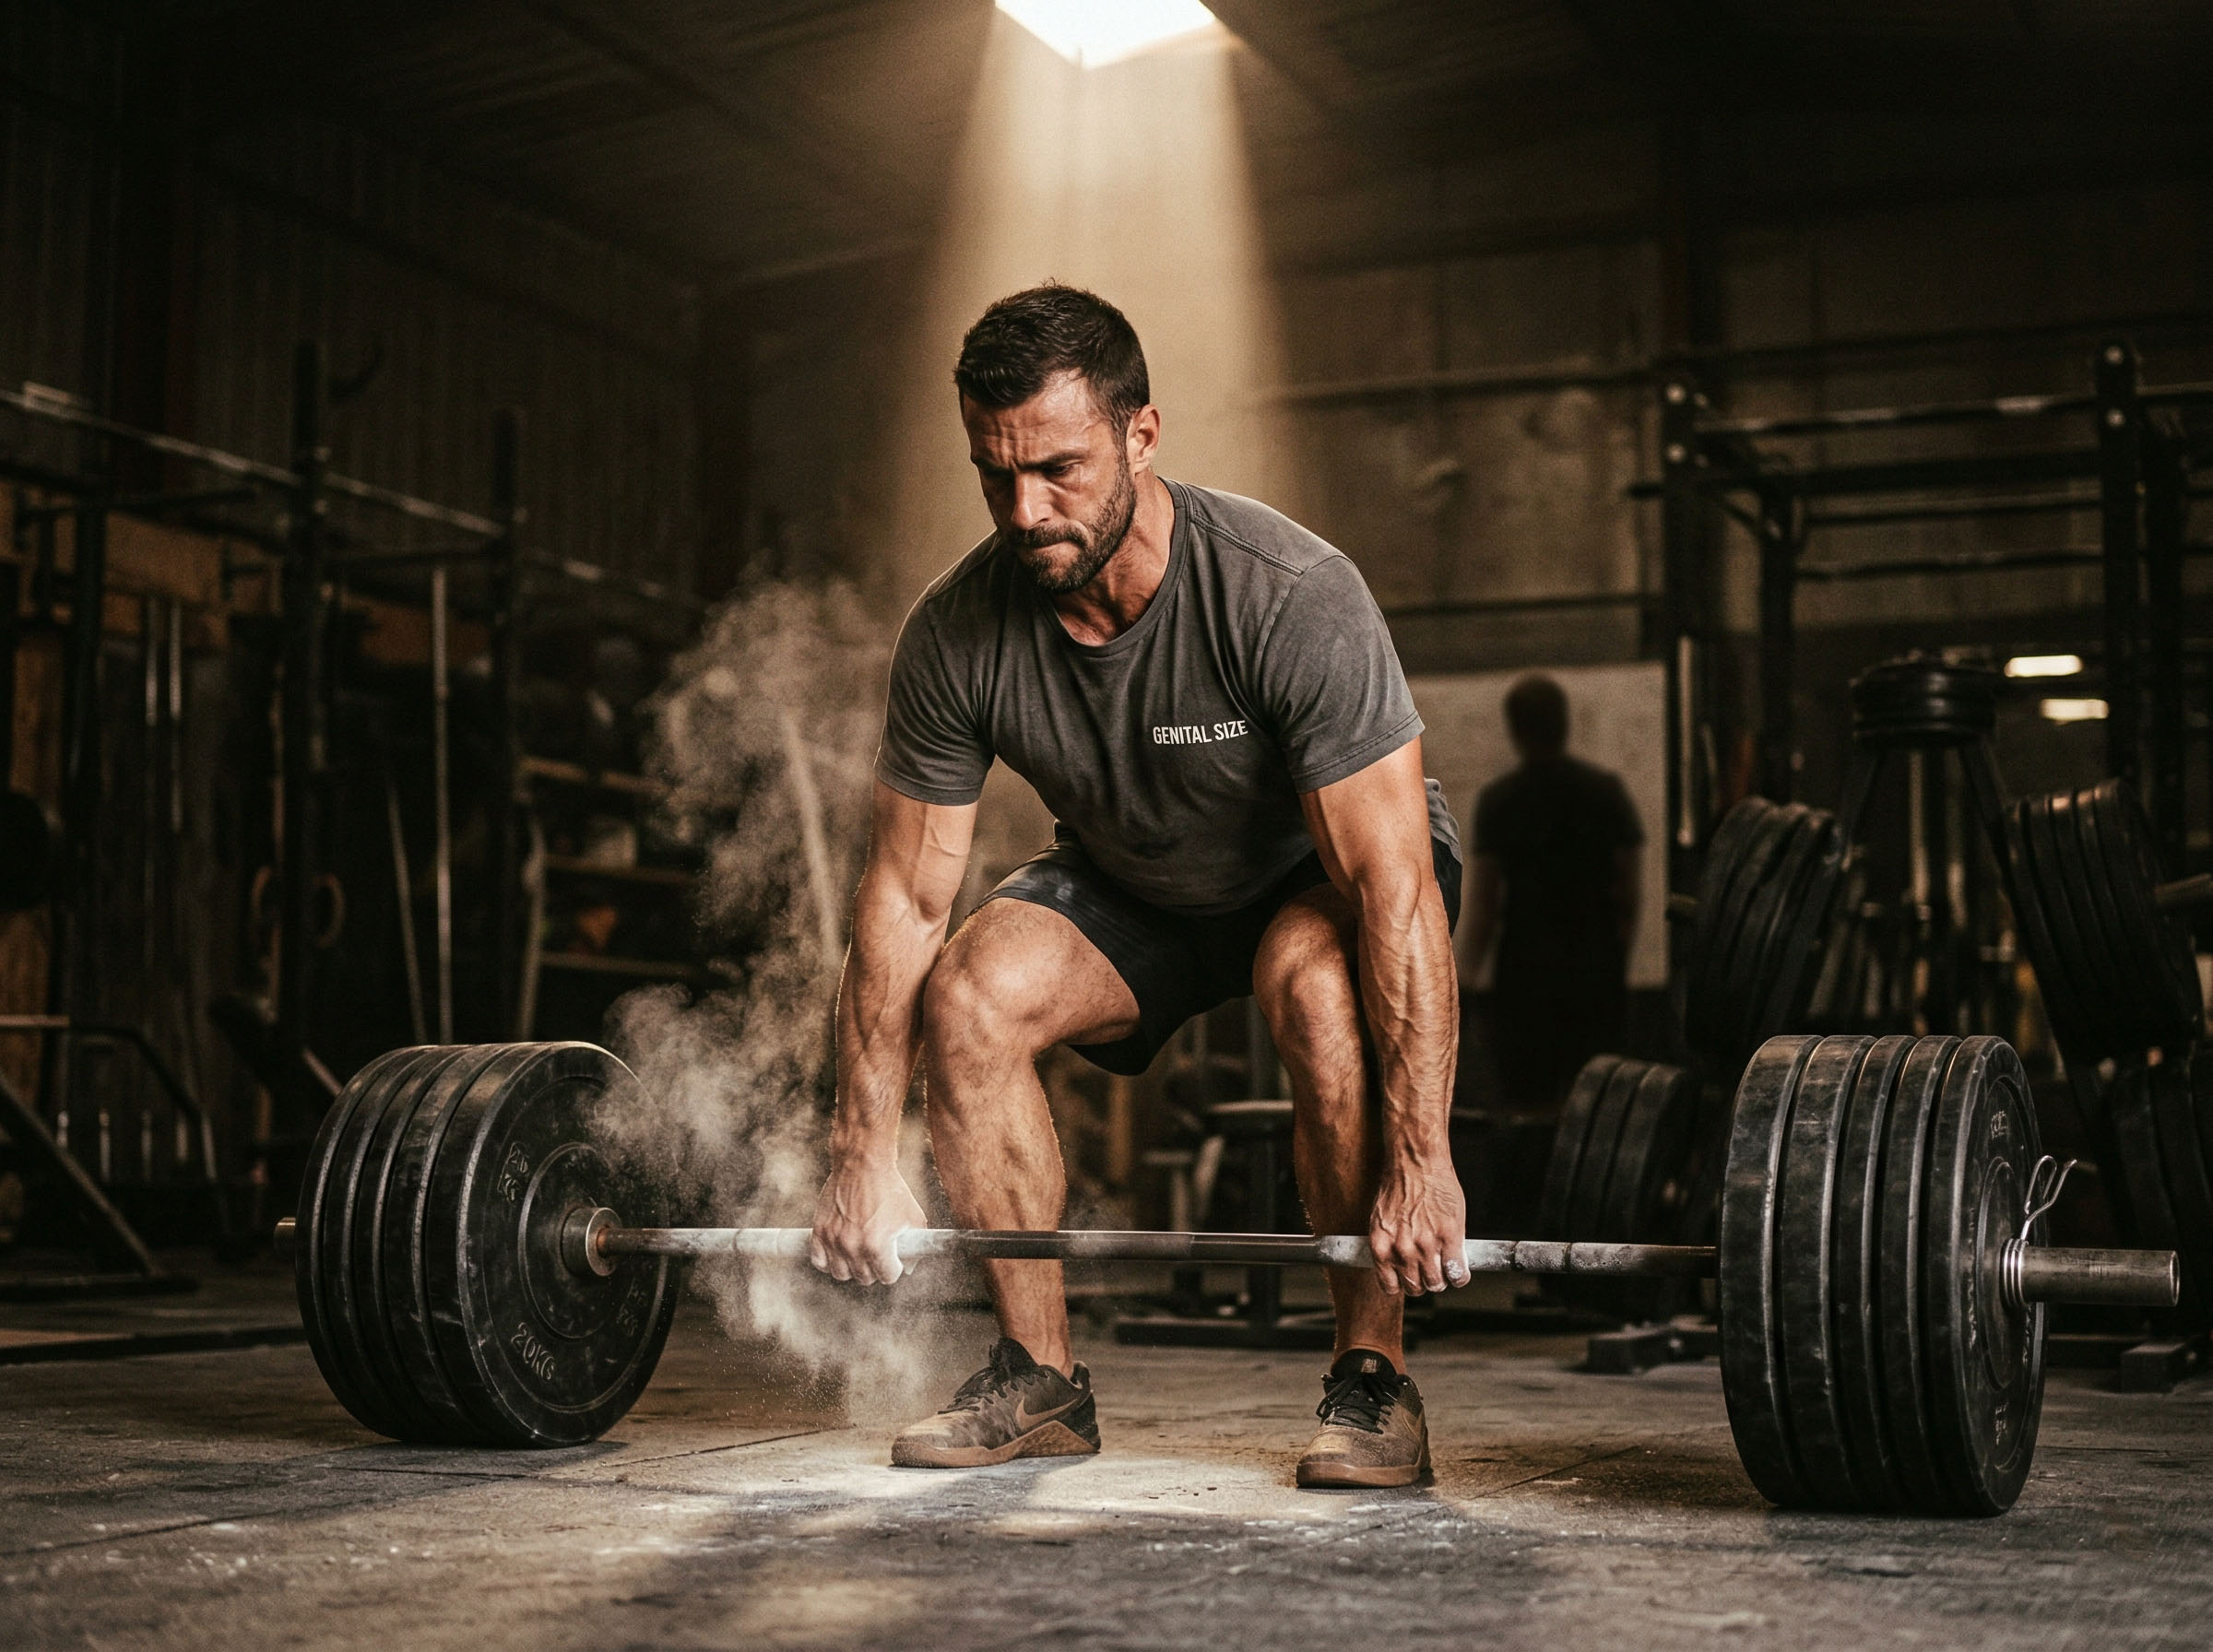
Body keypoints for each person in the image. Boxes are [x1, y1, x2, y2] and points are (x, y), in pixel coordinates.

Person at [806, 284, 1465, 1488]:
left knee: (1314, 984)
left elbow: (1394, 892)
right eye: (995, 474)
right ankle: (1041, 1379)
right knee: (971, 994)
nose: (1025, 511)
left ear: (1141, 435)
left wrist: (1423, 1160)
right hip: (1138, 878)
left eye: (1058, 469)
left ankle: (1373, 1377)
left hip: (1314, 880)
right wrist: (860, 1146)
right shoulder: (958, 630)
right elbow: (903, 901)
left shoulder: (1287, 591)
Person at [1461, 674, 1642, 1111]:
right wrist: (1615, 959)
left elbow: (1485, 904)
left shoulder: (1499, 801)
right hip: (1594, 965)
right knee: (1596, 1104)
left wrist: (1465, 980)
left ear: (1516, 729)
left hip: (1525, 972)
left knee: (1527, 1103)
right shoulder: (1606, 792)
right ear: (1564, 722)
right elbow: (1630, 894)